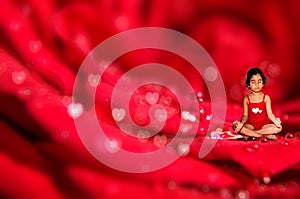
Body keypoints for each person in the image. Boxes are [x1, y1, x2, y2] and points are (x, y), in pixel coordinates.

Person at [232, 67, 282, 140]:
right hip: (250, 125)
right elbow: (245, 116)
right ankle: (264, 135)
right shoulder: (246, 99)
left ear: (263, 83)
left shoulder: (266, 98)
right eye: (253, 82)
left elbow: (270, 114)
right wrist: (241, 124)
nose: (257, 85)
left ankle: (253, 134)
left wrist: (276, 121)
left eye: (259, 81)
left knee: (278, 128)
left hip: (264, 125)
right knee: (235, 127)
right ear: (248, 84)